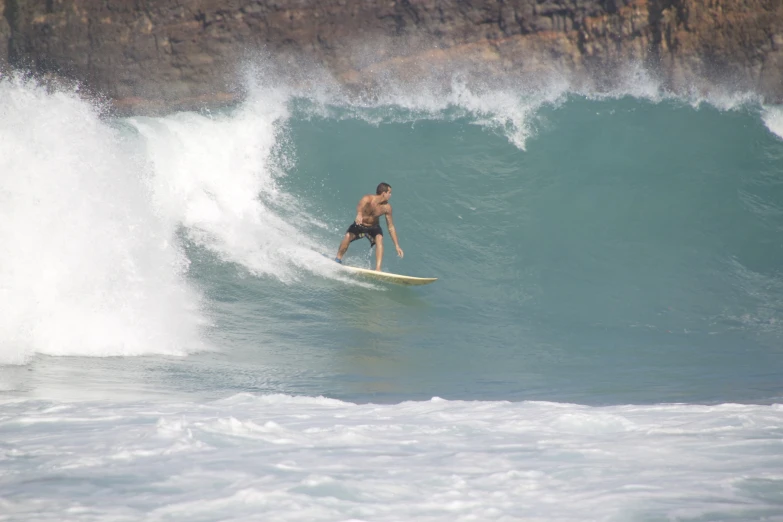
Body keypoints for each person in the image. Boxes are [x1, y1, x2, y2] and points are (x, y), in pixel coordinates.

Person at [335, 182, 404, 271]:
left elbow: (391, 227)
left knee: (379, 238)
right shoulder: (368, 199)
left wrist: (397, 245)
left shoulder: (387, 207)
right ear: (384, 193)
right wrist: (359, 214)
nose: (390, 195)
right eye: (389, 193)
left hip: (373, 228)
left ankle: (378, 269)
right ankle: (338, 259)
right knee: (348, 236)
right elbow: (360, 206)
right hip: (360, 225)